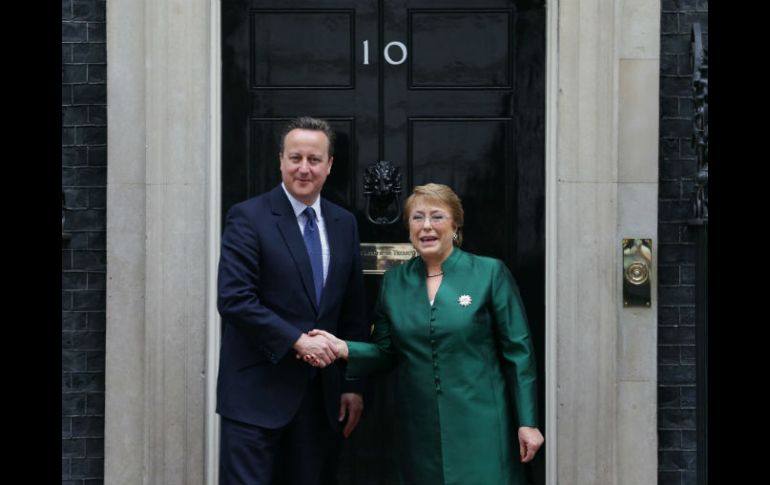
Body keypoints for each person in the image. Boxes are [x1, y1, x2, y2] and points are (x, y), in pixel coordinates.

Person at [307, 183, 544, 485]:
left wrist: (528, 422)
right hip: (419, 430)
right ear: (408, 228)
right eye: (417, 218)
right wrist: (343, 349)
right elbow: (386, 352)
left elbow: (519, 353)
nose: (427, 226)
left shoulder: (489, 274)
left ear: (455, 225)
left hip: (482, 425)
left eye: (437, 217)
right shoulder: (395, 283)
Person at [216, 116, 368, 485]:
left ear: (329, 165)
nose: (304, 168)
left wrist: (352, 384)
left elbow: (353, 308)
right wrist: (296, 341)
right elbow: (234, 299)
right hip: (256, 397)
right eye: (295, 157)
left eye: (314, 159)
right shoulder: (248, 217)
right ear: (280, 161)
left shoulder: (344, 222)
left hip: (320, 399)